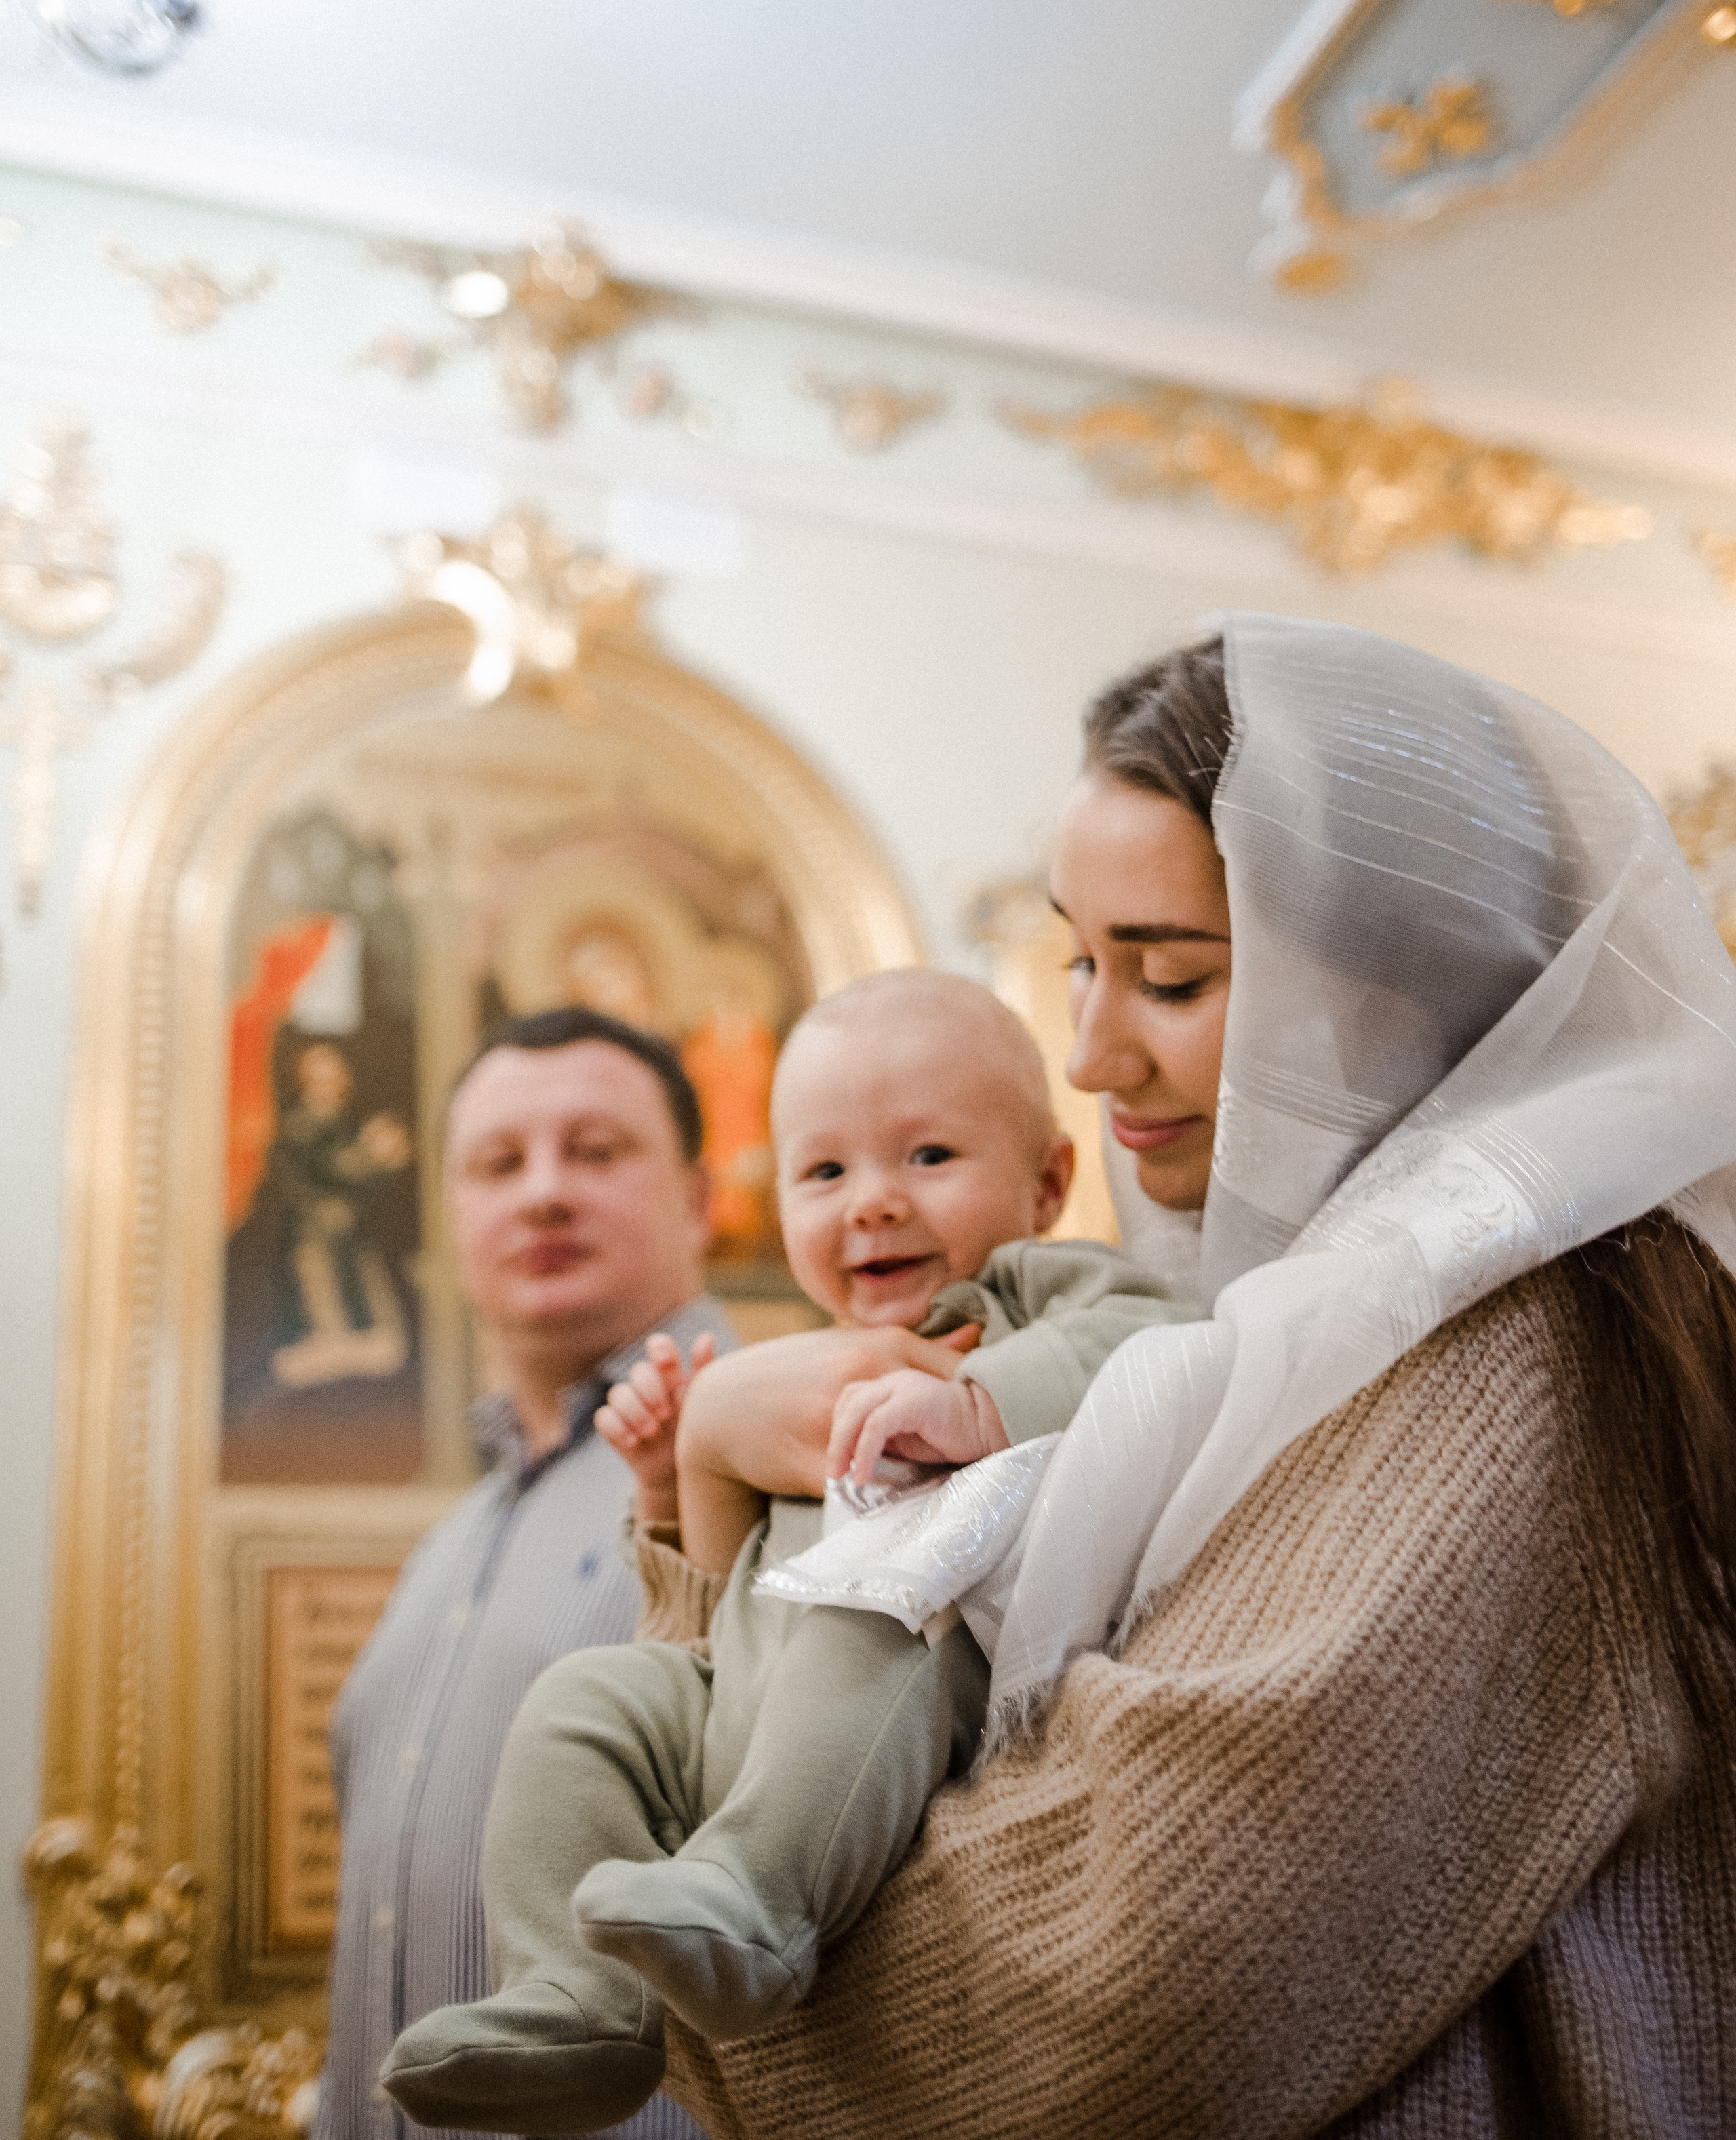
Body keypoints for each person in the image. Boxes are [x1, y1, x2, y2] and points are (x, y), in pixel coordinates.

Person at [631, 617, 1736, 2140]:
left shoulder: (1509, 1349)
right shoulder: (1284, 1331)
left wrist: (648, 1972)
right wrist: (711, 1505)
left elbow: (1120, 1992)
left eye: (1166, 979)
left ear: (1394, 981)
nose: (1086, 1054)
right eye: (1081, 963)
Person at [379, 972, 1200, 2133]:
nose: (871, 1204)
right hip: (749, 1693)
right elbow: (715, 1623)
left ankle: (758, 1898)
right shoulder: (782, 1371)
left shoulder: (1028, 1297)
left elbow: (1162, 1339)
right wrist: (671, 1490)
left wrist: (979, 1398)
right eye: (824, 1173)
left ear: (1049, 1181)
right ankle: (576, 1992)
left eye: (926, 1158)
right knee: (587, 1695)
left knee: (870, 1620)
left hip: (914, 1658)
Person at [314, 1005, 736, 2140]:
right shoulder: (450, 1540)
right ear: (454, 1217)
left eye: (597, 1153)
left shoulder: (765, 1458)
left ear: (697, 1198)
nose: (543, 1191)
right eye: (499, 1164)